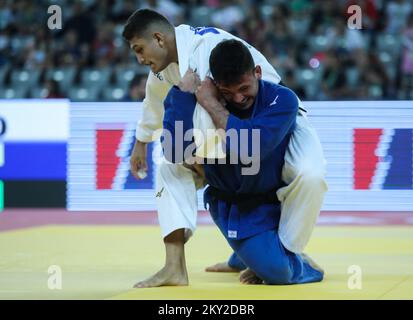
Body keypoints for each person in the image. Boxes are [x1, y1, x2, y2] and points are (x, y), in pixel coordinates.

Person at [122, 9, 327, 288]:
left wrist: (198, 159)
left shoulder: (206, 51)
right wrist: (141, 143)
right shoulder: (165, 68)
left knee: (309, 173)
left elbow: (214, 112)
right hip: (231, 135)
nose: (140, 59)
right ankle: (174, 267)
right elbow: (154, 103)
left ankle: (289, 253)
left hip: (273, 123)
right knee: (169, 167)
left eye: (139, 49)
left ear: (158, 38)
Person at [162, 39, 324, 285]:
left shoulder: (282, 100)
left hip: (274, 201)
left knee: (280, 269)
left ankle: (301, 265)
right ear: (215, 83)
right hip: (231, 203)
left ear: (258, 73)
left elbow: (250, 148)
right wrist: (184, 94)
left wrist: (213, 104)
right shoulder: (194, 96)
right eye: (228, 91)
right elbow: (174, 151)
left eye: (244, 88)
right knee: (276, 272)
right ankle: (250, 255)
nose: (238, 98)